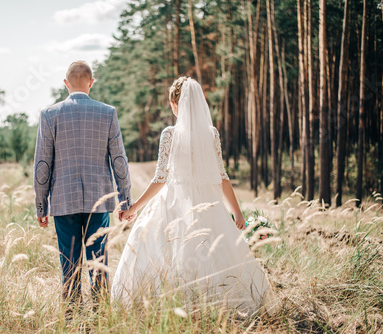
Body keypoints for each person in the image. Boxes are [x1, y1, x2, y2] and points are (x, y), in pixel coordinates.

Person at [111, 77, 271, 314]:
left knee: (164, 253)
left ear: (176, 104)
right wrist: (236, 212)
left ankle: (166, 305)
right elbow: (222, 177)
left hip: (174, 203)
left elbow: (160, 179)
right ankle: (212, 305)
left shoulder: (170, 134)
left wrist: (134, 208)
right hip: (210, 204)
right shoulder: (212, 134)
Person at [33, 60, 132, 307]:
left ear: (66, 84)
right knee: (99, 263)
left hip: (63, 202)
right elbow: (119, 160)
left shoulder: (49, 114)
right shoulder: (107, 112)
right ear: (91, 83)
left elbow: (42, 165)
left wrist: (41, 206)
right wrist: (125, 200)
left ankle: (73, 318)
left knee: (69, 264)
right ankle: (100, 317)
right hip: (99, 202)